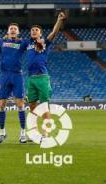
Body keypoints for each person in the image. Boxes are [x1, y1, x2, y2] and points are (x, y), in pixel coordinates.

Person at [0, 23, 33, 144]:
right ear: (7, 31)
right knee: (1, 104)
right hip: (5, 76)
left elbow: (34, 43)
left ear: (18, 32)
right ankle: (2, 133)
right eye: (11, 28)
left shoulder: (23, 42)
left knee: (20, 104)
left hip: (17, 75)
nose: (13, 30)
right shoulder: (1, 41)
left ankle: (23, 133)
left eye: (15, 29)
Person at [26, 12, 66, 141]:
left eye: (36, 30)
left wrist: (59, 20)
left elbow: (54, 33)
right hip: (31, 79)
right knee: (32, 106)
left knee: (43, 107)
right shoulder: (27, 44)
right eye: (32, 30)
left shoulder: (45, 42)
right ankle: (34, 133)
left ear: (40, 33)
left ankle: (46, 133)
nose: (33, 31)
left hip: (42, 77)